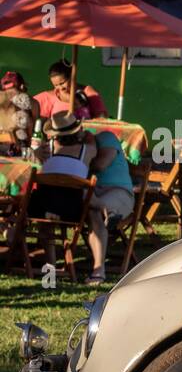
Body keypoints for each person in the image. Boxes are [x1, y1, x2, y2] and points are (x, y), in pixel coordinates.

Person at [33, 111, 135, 284]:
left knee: (93, 208)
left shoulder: (106, 138)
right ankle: (105, 213)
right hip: (82, 194)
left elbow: (100, 165)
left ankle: (98, 270)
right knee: (91, 209)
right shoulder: (67, 148)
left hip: (116, 190)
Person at [34, 59, 108, 121]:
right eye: (56, 85)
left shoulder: (88, 92)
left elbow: (101, 118)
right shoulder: (51, 96)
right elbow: (30, 104)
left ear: (72, 77)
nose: (60, 88)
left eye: (62, 83)